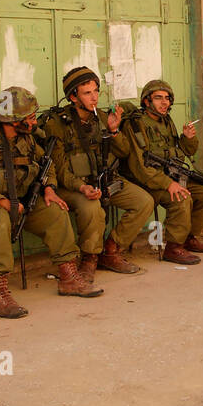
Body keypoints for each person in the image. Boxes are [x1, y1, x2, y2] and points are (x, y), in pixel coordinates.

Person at [0, 86, 99, 318]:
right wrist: (0, 202)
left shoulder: (28, 137)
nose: (34, 120)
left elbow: (46, 164)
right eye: (29, 117)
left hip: (19, 199)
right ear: (13, 120)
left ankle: (69, 276)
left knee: (55, 211)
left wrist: (49, 188)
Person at [42, 67, 155, 279]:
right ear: (73, 96)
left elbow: (123, 152)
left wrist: (114, 130)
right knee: (92, 207)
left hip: (105, 180)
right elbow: (59, 169)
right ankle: (90, 258)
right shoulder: (57, 124)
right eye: (87, 93)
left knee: (144, 201)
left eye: (96, 91)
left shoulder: (101, 117)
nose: (94, 97)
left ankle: (111, 250)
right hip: (73, 186)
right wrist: (82, 187)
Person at [121, 79, 203, 265]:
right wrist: (167, 184)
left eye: (167, 99)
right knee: (181, 197)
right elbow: (140, 166)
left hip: (170, 175)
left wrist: (187, 139)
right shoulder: (137, 124)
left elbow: (181, 152)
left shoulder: (166, 121)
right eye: (158, 98)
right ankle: (173, 248)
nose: (165, 103)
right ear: (147, 101)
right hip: (147, 180)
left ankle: (187, 237)